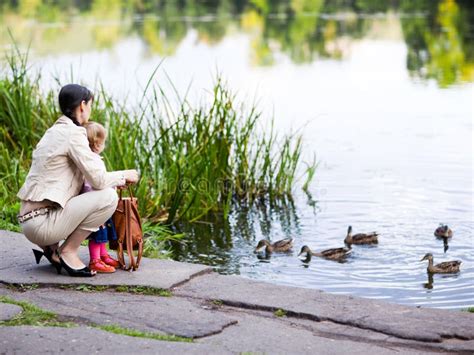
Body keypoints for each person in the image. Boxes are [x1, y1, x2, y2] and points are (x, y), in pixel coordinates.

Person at [17, 84, 139, 277]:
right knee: (108, 197)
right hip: (43, 225)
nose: (90, 110)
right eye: (90, 105)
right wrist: (124, 175)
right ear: (82, 105)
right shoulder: (74, 133)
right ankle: (68, 251)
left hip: (28, 221)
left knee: (103, 191)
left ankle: (52, 249)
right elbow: (98, 180)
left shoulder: (53, 131)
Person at [81, 121, 120, 273]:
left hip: (101, 203)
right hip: (95, 203)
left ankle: (103, 255)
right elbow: (94, 184)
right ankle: (94, 260)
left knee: (104, 231)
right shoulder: (91, 161)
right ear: (97, 145)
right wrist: (111, 186)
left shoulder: (94, 159)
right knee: (97, 233)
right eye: (103, 142)